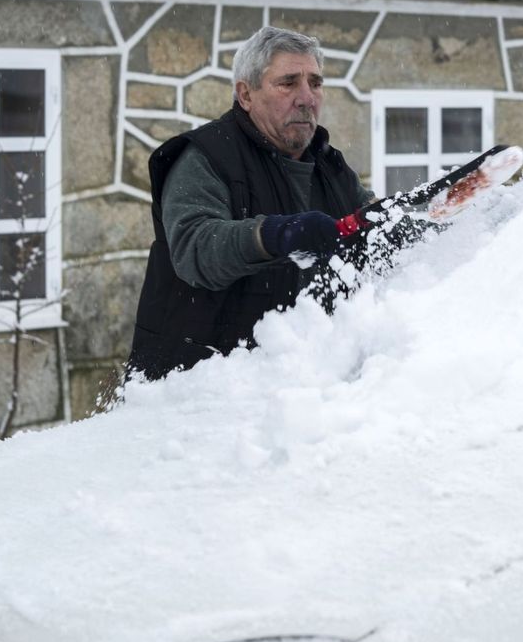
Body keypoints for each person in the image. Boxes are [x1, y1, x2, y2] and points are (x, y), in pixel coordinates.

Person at [126, 26, 375, 380]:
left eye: (315, 83)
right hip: (192, 392)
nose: (307, 98)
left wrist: (399, 227)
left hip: (297, 394)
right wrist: (272, 235)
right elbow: (195, 249)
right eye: (288, 83)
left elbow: (371, 222)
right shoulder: (206, 157)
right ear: (246, 94)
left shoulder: (330, 168)